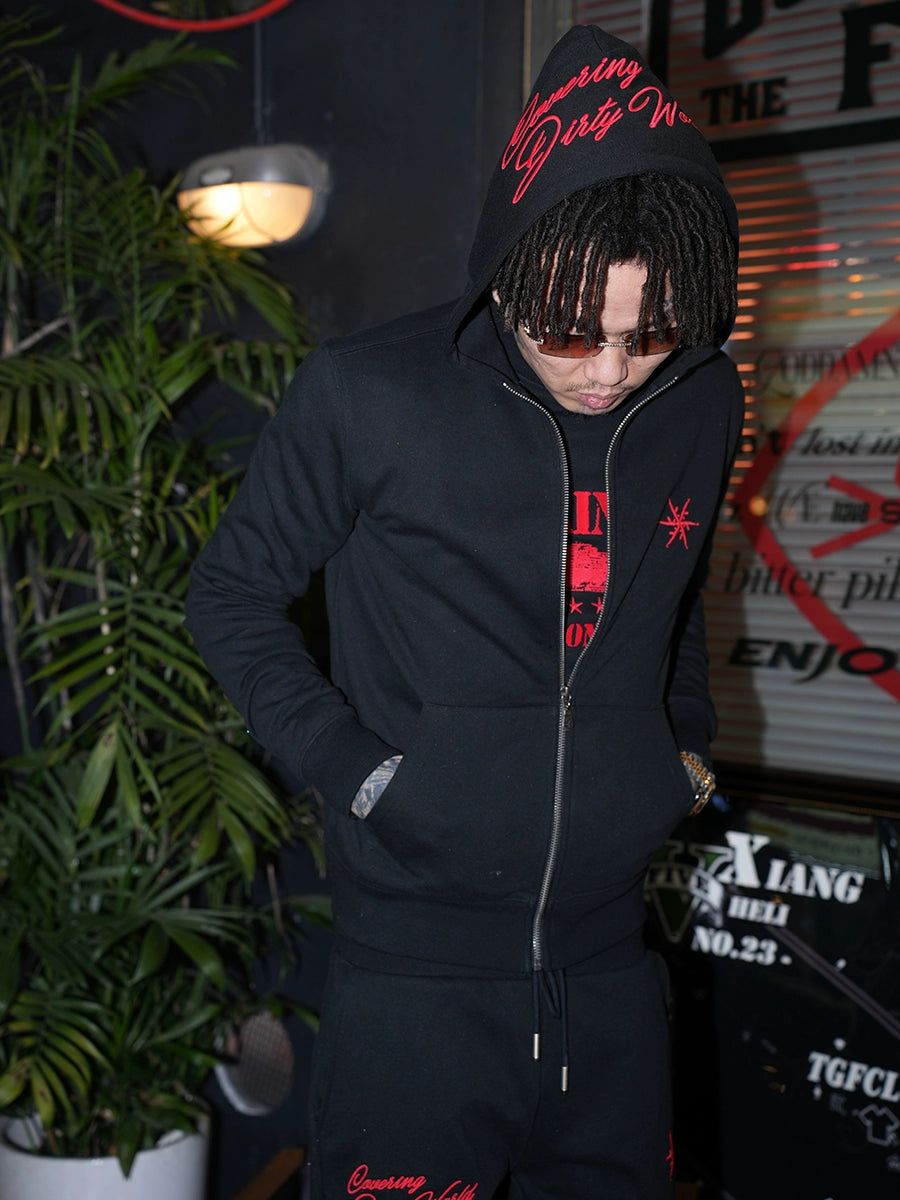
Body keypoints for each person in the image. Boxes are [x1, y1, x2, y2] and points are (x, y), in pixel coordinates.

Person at [185, 23, 743, 1200]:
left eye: (648, 334)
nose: (608, 371)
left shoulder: (701, 402)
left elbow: (678, 585)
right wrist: (361, 773)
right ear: (511, 270)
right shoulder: (369, 395)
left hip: (612, 976)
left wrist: (682, 756)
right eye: (571, 333)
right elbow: (230, 595)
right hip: (413, 988)